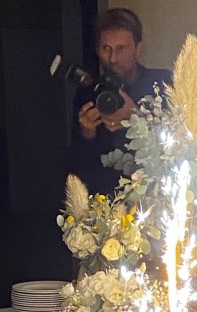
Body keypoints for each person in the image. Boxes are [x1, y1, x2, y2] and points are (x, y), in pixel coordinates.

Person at [67, 8, 172, 196]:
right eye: (106, 48)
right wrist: (87, 133)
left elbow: (182, 144)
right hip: (106, 203)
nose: (113, 58)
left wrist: (137, 116)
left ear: (138, 49)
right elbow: (77, 166)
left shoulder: (163, 84)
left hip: (156, 197)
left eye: (121, 48)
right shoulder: (87, 94)